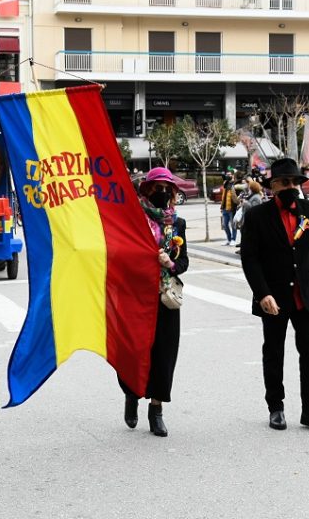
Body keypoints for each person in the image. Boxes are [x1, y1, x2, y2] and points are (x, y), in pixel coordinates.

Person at [240, 158, 309, 434]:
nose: (291, 187)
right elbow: (250, 259)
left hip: (306, 296)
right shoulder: (257, 216)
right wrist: (262, 294)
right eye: (285, 183)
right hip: (274, 297)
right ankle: (276, 408)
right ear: (273, 186)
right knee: (274, 352)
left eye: (295, 182)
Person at [120, 167, 188, 437]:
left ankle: (156, 409)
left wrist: (169, 263)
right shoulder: (133, 219)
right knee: (134, 351)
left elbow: (183, 263)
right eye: (156, 188)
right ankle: (132, 395)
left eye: (166, 189)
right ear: (146, 190)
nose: (162, 193)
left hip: (164, 296)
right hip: (136, 296)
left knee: (165, 353)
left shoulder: (177, 224)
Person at [220, 172, 239, 246]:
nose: (228, 176)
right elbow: (223, 196)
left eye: (229, 174)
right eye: (227, 174)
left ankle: (233, 239)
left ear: (233, 175)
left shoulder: (235, 184)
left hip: (232, 208)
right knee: (225, 225)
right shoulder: (226, 183)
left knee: (233, 225)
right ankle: (228, 239)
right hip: (225, 208)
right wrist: (222, 206)